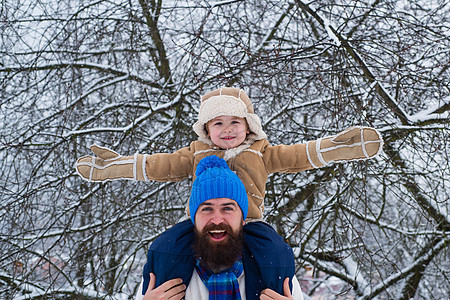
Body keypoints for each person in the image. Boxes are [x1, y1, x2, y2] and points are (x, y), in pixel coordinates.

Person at [75, 87, 383, 295]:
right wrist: (115, 166)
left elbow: (299, 156)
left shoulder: (263, 151)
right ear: (206, 130)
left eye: (235, 121)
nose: (227, 129)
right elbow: (159, 165)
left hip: (250, 223)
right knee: (166, 246)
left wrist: (338, 148)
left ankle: (268, 293)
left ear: (248, 125)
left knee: (274, 252)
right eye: (217, 123)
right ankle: (169, 290)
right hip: (199, 224)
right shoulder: (196, 152)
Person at [135, 155, 304, 299]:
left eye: (227, 208)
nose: (217, 219)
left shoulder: (273, 268)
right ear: (193, 219)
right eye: (207, 209)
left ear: (243, 219)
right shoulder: (164, 269)